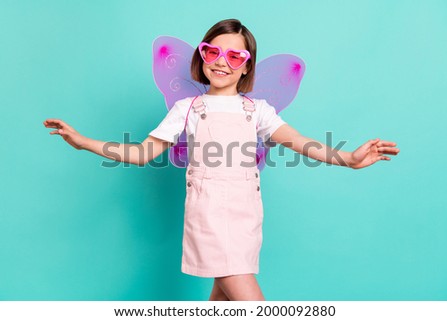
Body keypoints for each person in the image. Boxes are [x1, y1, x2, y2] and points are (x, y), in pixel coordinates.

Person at [43, 19, 400, 301]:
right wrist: (83, 142)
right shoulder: (188, 109)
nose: (221, 62)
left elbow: (301, 143)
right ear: (202, 56)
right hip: (209, 215)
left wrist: (349, 159)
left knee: (222, 301)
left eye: (235, 57)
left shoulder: (257, 111)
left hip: (246, 216)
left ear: (247, 67)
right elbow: (141, 152)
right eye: (212, 52)